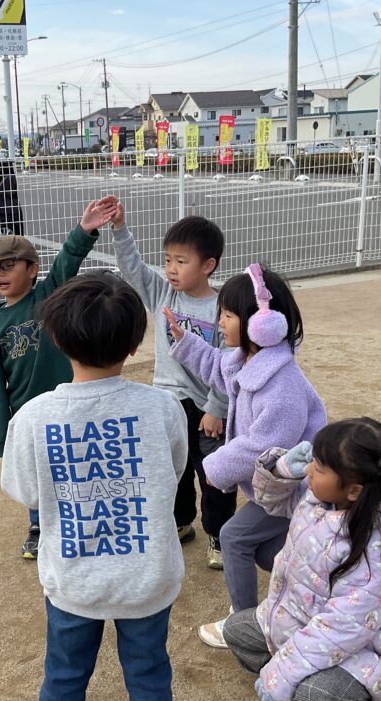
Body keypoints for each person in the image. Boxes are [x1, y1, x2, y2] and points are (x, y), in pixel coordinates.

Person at [1, 272, 187, 701]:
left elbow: (25, 492)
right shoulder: (162, 407)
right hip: (146, 575)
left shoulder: (34, 417)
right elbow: (171, 472)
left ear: (58, 339)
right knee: (149, 675)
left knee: (64, 675)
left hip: (74, 578)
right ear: (134, 343)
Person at [224, 418, 381, 701]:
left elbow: (341, 629)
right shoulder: (319, 499)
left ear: (354, 491)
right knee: (236, 630)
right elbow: (272, 503)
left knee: (318, 696)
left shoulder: (373, 552)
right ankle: (298, 674)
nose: (310, 471)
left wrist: (284, 671)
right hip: (298, 620)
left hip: (358, 647)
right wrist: (281, 471)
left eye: (319, 467)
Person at [164, 262, 326, 646]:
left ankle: (245, 625)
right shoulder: (248, 359)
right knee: (271, 552)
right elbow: (217, 368)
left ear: (261, 323)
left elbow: (263, 444)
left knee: (234, 537)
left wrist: (216, 465)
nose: (219, 321)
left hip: (297, 487)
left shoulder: (281, 384)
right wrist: (185, 341)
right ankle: (316, 596)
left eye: (228, 314)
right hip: (278, 484)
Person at [0, 197, 117, 560]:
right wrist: (3, 438)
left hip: (69, 403)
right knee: (40, 470)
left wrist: (83, 231)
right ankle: (38, 525)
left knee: (77, 462)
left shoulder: (48, 295)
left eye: (8, 266)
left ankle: (86, 516)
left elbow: (67, 261)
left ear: (33, 270)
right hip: (28, 413)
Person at [109, 201, 234, 569]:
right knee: (171, 470)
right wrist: (119, 228)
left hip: (207, 407)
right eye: (167, 260)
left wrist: (217, 407)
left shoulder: (221, 308)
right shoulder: (164, 295)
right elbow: (133, 268)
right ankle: (181, 522)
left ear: (208, 265)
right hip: (167, 401)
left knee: (213, 474)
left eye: (182, 261)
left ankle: (219, 534)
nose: (171, 269)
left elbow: (229, 364)